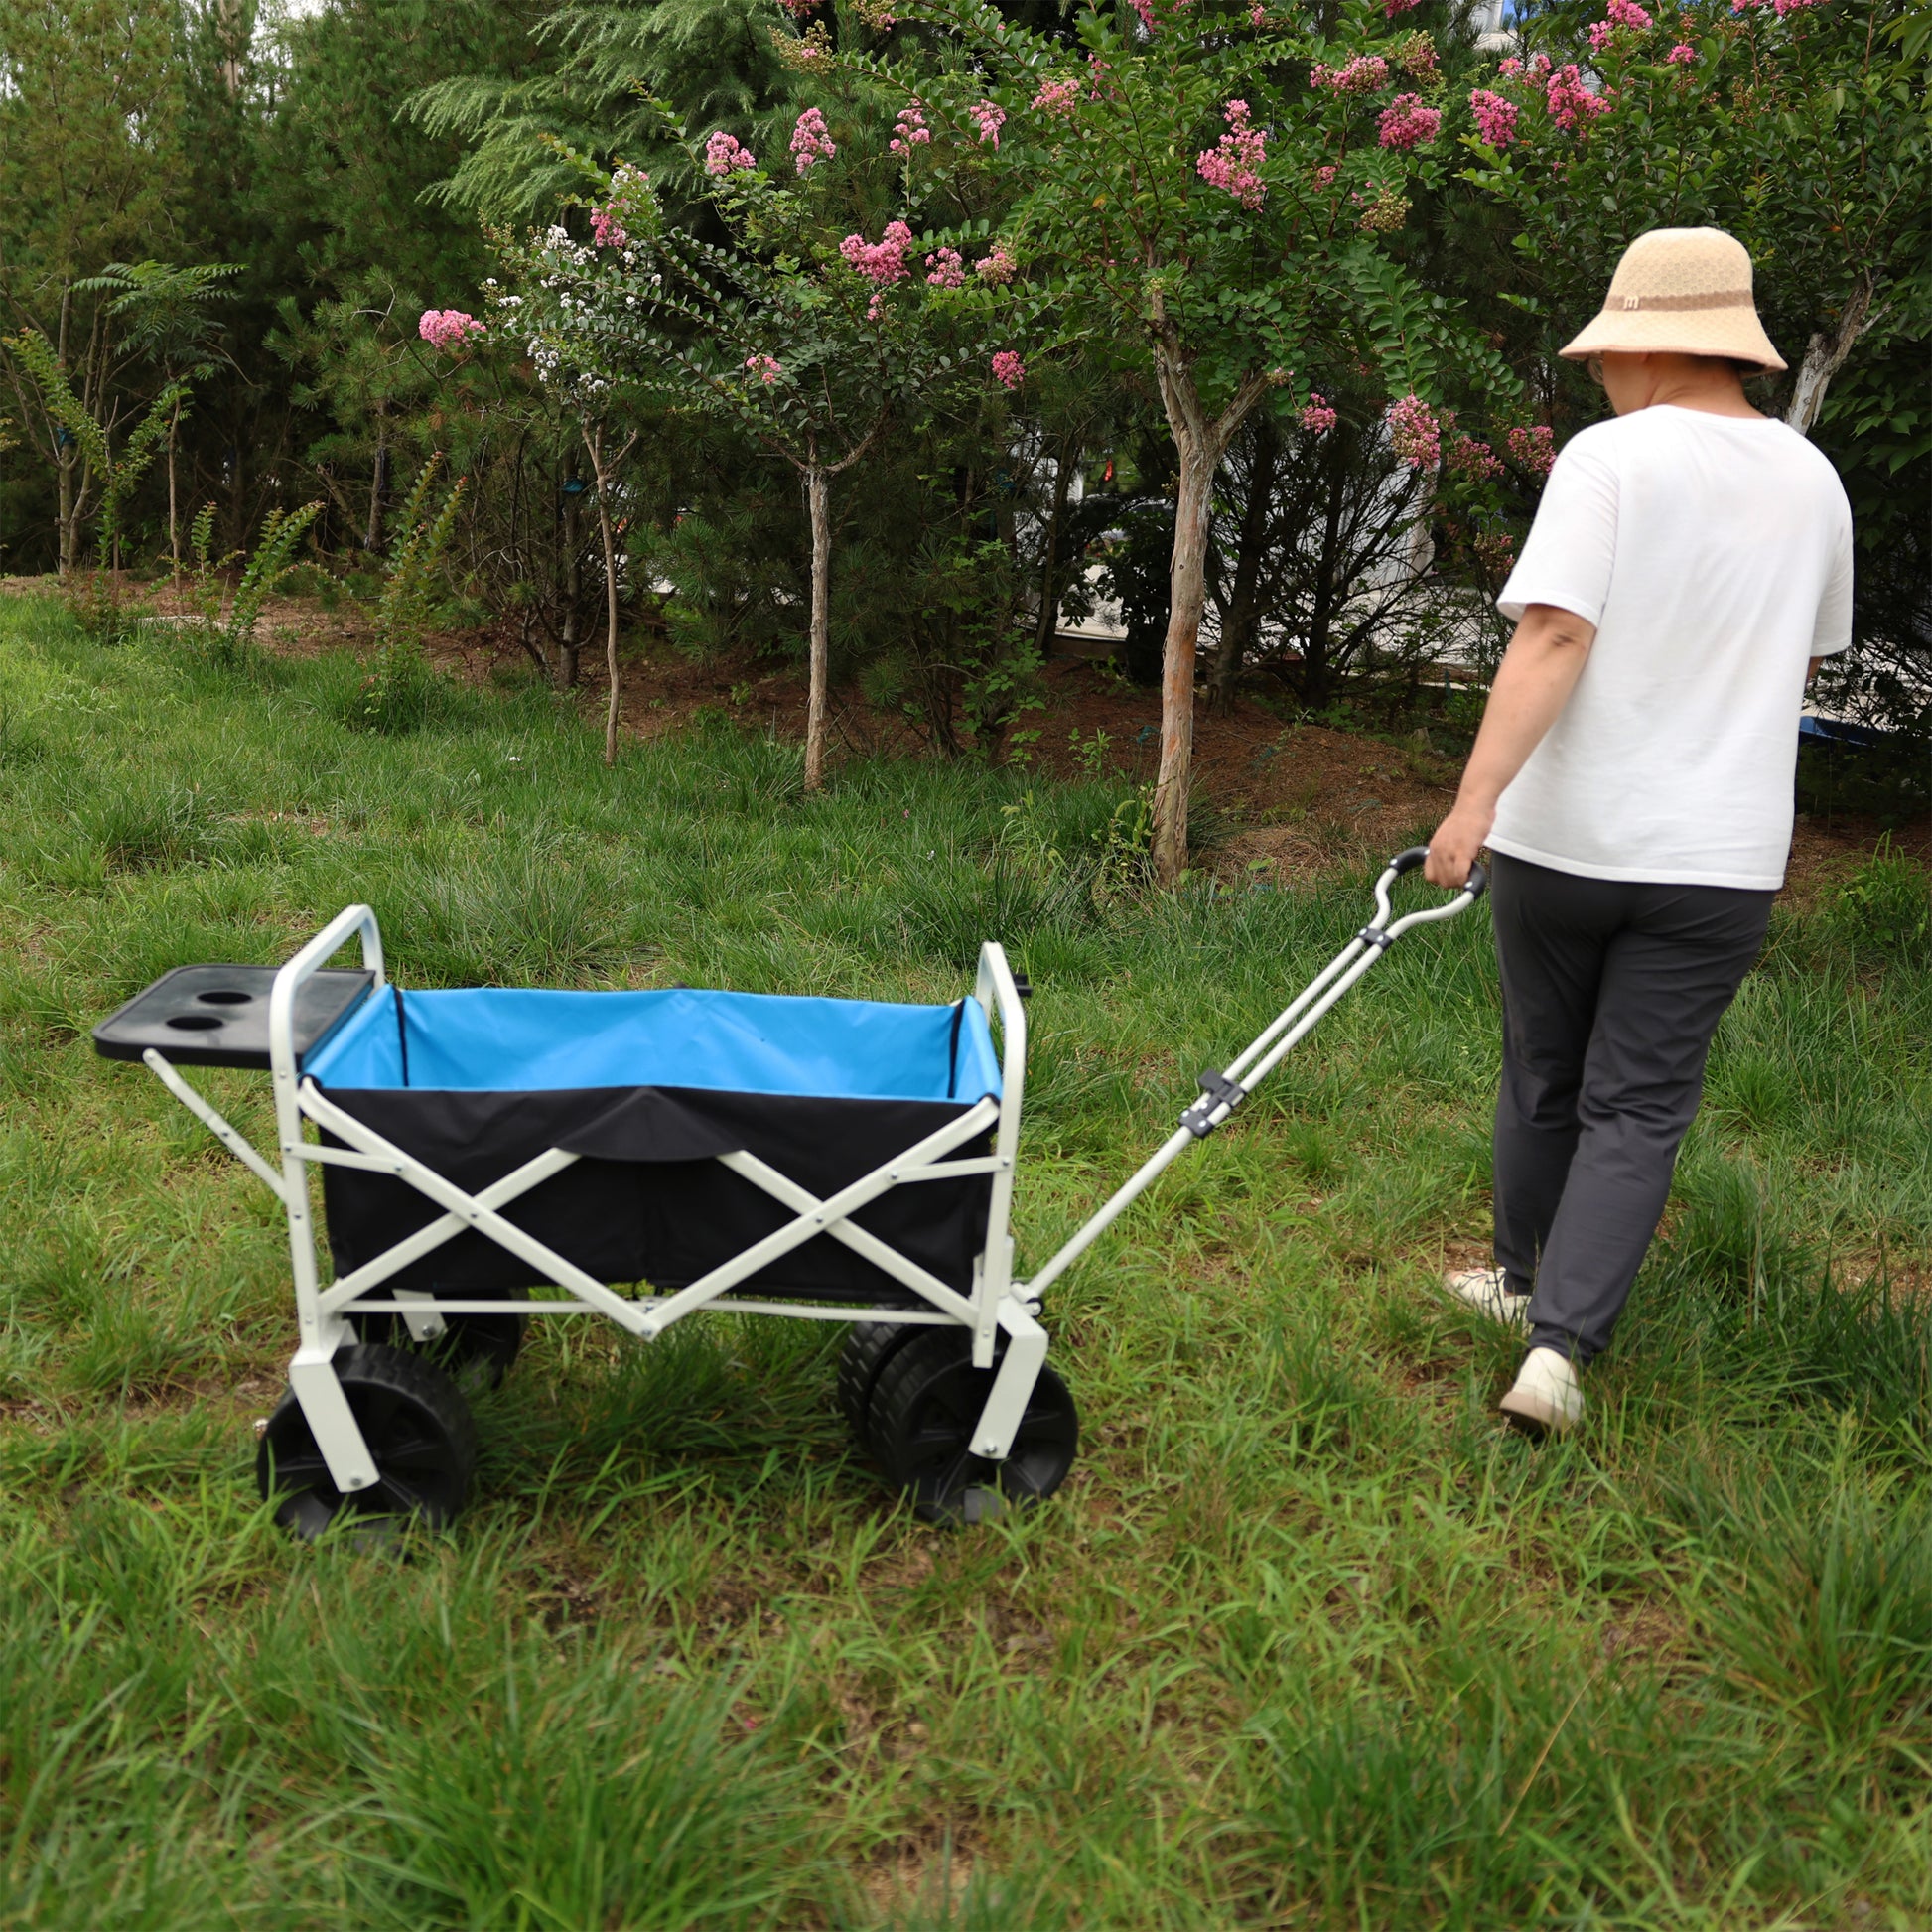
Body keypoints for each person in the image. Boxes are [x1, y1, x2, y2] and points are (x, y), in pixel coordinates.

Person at [1424, 226, 1854, 1437]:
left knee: (1541, 1068)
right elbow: (1807, 651)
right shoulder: (1811, 479)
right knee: (1639, 1105)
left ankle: (1519, 1283)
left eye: (1606, 349)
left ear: (1653, 344)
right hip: (1718, 860)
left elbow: (1553, 634)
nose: (1596, 372)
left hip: (1567, 843)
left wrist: (1470, 805)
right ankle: (1555, 1353)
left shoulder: (1609, 459)